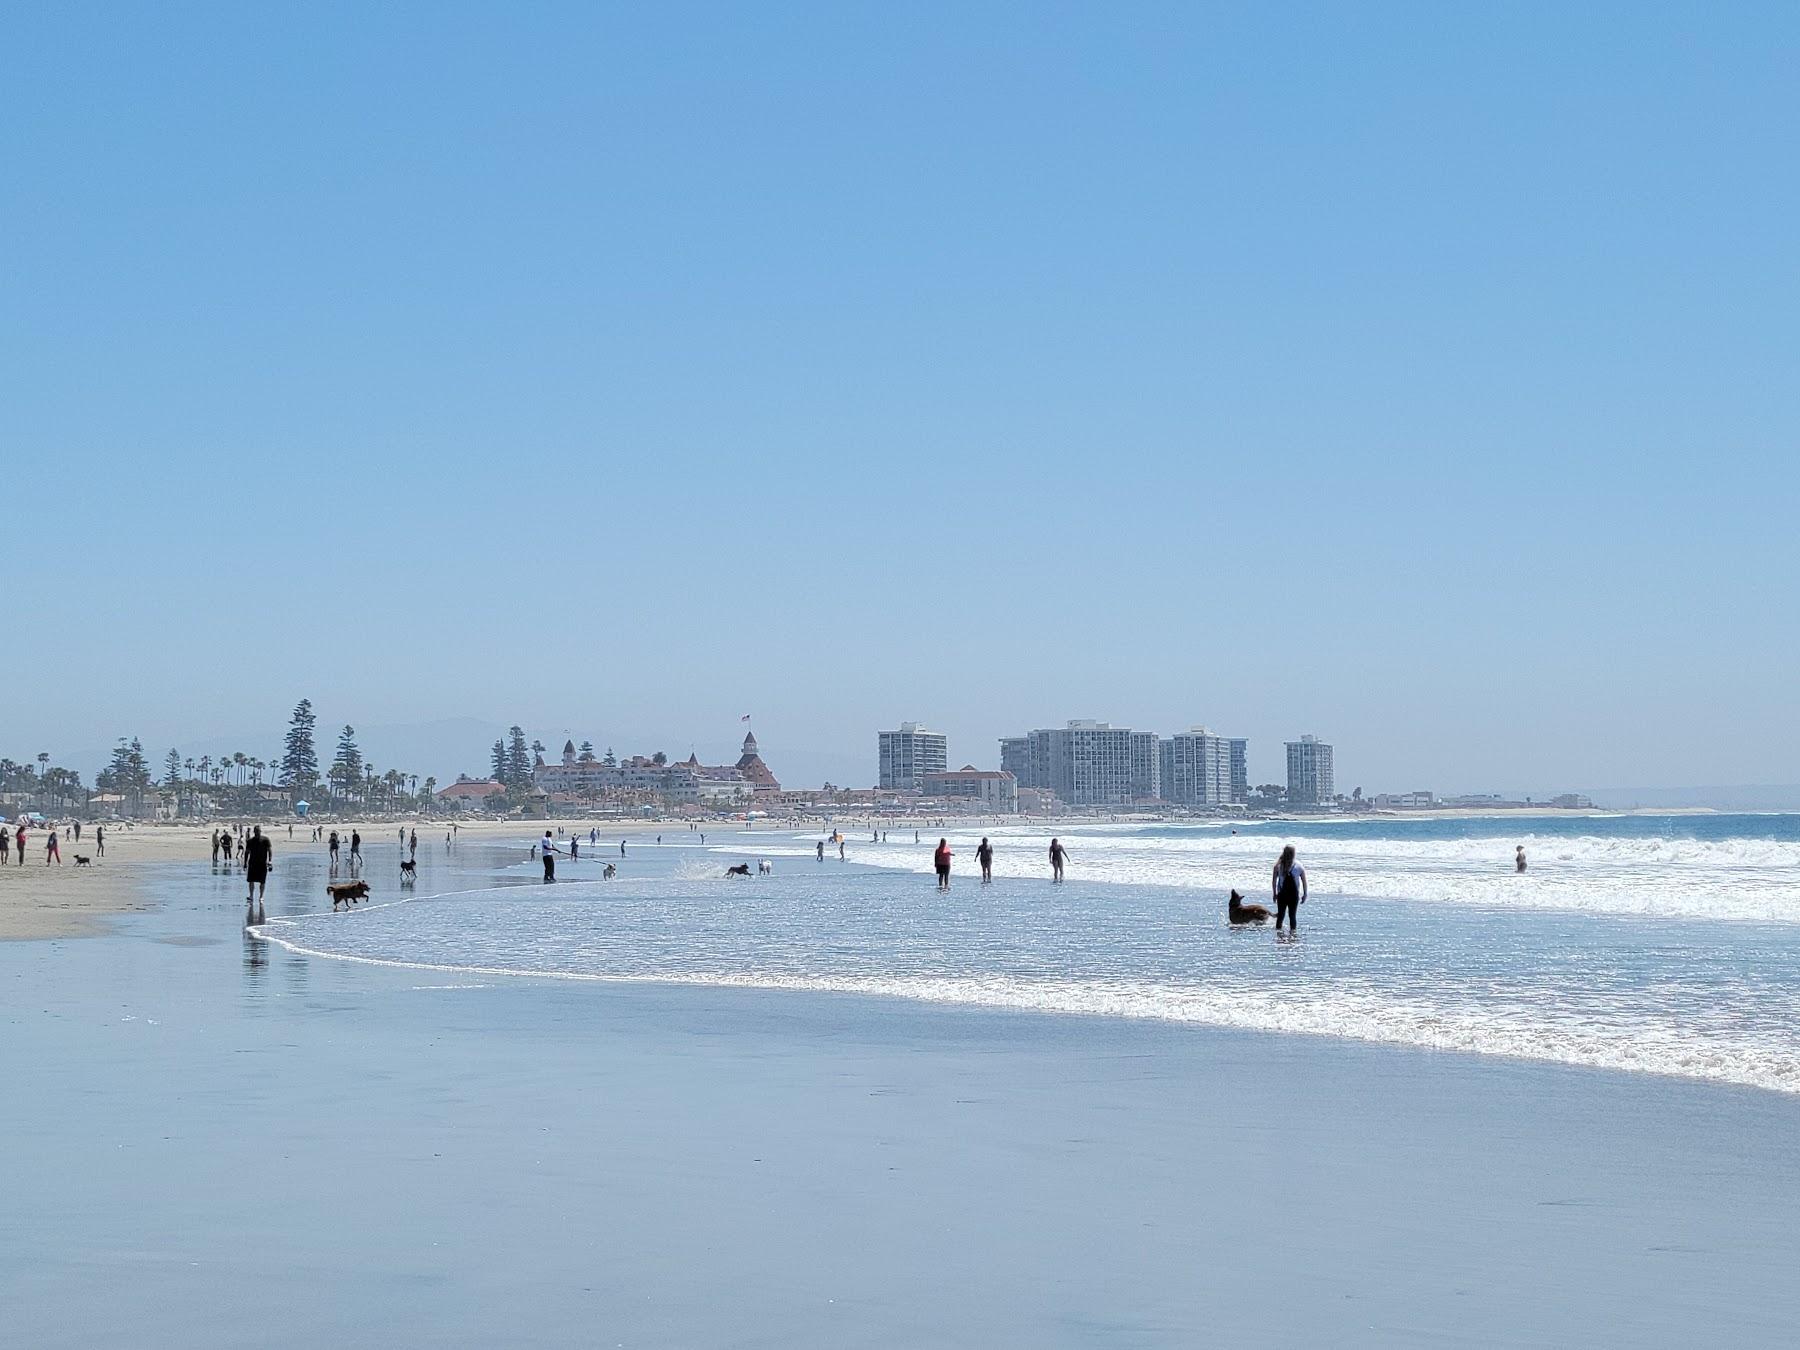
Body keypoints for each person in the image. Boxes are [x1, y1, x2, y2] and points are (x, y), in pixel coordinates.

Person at [1272, 845, 1306, 932]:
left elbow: (1274, 881)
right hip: (1294, 896)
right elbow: (1304, 881)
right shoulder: (1298, 865)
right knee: (1292, 916)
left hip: (1282, 895)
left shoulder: (1278, 865)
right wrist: (1305, 894)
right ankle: (1293, 936)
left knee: (1280, 916)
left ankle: (1278, 937)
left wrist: (1274, 893)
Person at [244, 825, 272, 905]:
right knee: (251, 881)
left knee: (262, 881)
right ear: (254, 832)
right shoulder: (250, 841)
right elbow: (247, 852)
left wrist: (270, 861)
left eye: (258, 831)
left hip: (262, 863)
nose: (257, 833)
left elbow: (269, 850)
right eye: (256, 831)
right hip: (252, 863)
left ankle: (261, 897)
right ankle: (251, 895)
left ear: (260, 831)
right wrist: (245, 863)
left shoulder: (265, 840)